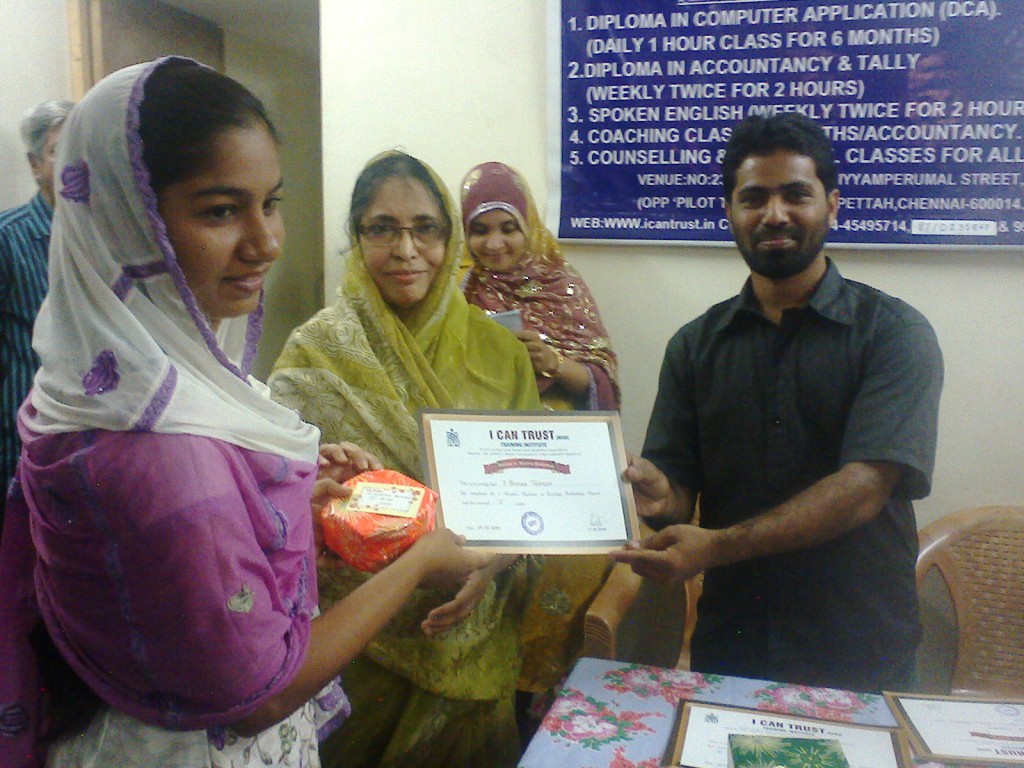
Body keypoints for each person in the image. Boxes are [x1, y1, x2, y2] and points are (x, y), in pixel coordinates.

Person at [0, 59, 488, 768]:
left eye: (271, 203)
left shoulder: (112, 383)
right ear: (125, 218)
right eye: (221, 210)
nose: (265, 243)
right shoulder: (164, 449)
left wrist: (279, 504)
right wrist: (419, 565)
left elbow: (175, 559)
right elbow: (261, 692)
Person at [611, 113, 944, 694]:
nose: (774, 214)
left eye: (796, 194)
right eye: (753, 198)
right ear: (730, 212)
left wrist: (714, 545)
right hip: (734, 644)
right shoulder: (694, 346)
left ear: (833, 204)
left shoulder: (893, 333)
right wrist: (662, 497)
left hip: (860, 649)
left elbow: (864, 488)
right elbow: (677, 494)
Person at [269, 151, 541, 767]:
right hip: (355, 640)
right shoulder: (316, 352)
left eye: (426, 228)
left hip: (469, 623)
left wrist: (490, 565)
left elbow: (533, 495)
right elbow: (278, 502)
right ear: (357, 238)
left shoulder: (501, 354)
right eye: (382, 229)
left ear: (449, 238)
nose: (405, 249)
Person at [459, 161, 619, 708]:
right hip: (486, 465)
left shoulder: (563, 284)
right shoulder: (454, 293)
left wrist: (552, 361)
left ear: (530, 227)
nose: (495, 243)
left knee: (566, 572)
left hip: (561, 468)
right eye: (480, 229)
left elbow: (602, 380)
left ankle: (542, 706)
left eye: (509, 226)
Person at [0, 99, 74, 529]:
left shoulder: (113, 243)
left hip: (92, 451)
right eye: (58, 151)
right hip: (20, 451)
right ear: (35, 164)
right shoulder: (8, 240)